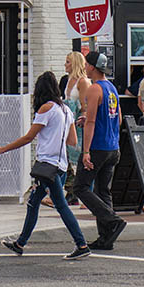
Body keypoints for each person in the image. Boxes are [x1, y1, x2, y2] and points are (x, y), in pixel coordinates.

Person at [0, 71, 91, 261]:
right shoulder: (66, 110)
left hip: (47, 165)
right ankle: (20, 243)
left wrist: (3, 149)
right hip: (61, 165)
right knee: (33, 202)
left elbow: (29, 137)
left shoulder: (46, 109)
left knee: (60, 205)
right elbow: (72, 140)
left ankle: (81, 244)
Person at [75, 50, 125, 251]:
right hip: (113, 147)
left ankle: (112, 220)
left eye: (86, 65)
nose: (85, 68)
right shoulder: (111, 88)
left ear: (92, 67)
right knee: (103, 191)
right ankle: (106, 238)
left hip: (98, 147)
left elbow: (92, 122)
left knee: (80, 187)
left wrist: (86, 151)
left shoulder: (94, 89)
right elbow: (118, 119)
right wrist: (87, 119)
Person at [52, 51, 89, 208]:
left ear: (75, 63)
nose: (65, 64)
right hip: (66, 123)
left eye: (68, 62)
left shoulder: (83, 82)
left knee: (76, 157)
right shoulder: (66, 80)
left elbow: (85, 106)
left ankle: (77, 193)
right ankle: (70, 192)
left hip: (77, 124)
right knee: (65, 157)